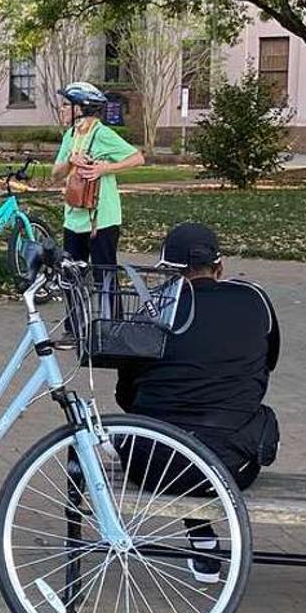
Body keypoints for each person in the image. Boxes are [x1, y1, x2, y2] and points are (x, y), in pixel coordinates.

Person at [114, 222, 280, 584]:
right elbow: (266, 365)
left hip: (153, 465)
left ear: (163, 271)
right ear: (220, 268)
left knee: (172, 429)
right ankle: (201, 537)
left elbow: (125, 395)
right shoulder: (254, 300)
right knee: (235, 420)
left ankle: (201, 537)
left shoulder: (151, 309)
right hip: (232, 464)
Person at [48, 81, 144, 273]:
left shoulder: (102, 134)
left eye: (67, 105)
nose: (62, 108)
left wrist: (105, 168)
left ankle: (108, 305)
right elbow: (55, 175)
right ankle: (78, 305)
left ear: (82, 108)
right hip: (73, 219)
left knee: (105, 280)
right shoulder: (70, 135)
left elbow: (137, 158)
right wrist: (70, 161)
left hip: (102, 221)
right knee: (72, 279)